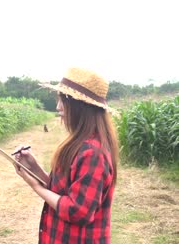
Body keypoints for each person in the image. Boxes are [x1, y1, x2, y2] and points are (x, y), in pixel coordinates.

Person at [13, 67, 119, 244]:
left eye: (63, 101)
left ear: (81, 106)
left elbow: (79, 211)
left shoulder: (93, 153)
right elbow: (63, 192)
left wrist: (36, 187)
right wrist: (33, 167)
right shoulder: (80, 143)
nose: (58, 107)